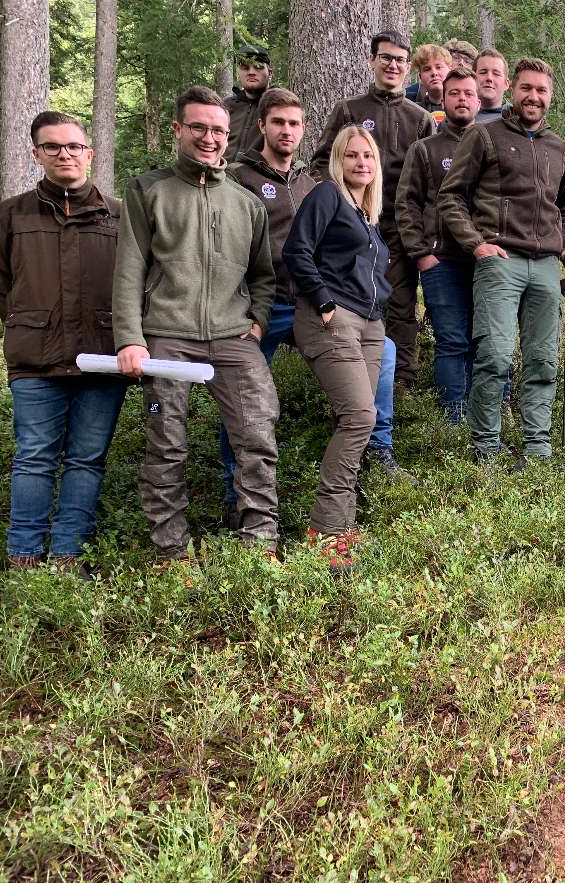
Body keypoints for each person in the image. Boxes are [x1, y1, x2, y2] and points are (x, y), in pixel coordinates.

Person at [113, 86, 279, 565]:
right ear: (179, 130)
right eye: (199, 128)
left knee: (257, 436)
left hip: (233, 336)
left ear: (230, 136)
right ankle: (171, 552)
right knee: (167, 443)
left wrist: (259, 324)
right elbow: (129, 270)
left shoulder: (247, 203)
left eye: (219, 131)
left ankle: (259, 544)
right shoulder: (149, 190)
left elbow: (263, 276)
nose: (209, 138)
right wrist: (130, 338)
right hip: (168, 334)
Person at [0, 111, 126, 576]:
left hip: (102, 357)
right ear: (36, 154)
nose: (64, 154)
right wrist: (32, 321)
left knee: (87, 460)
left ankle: (70, 554)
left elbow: (136, 283)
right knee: (34, 458)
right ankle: (24, 557)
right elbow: (0, 285)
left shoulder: (119, 215)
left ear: (89, 153)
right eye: (52, 147)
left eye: (73, 146)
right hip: (36, 360)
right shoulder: (10, 214)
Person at [440, 57, 565, 467]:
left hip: (546, 266)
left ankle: (537, 450)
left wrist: (564, 244)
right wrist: (477, 245)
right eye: (527, 88)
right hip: (501, 261)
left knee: (542, 359)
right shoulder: (484, 136)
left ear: (551, 96)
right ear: (513, 90)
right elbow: (450, 197)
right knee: (495, 356)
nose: (534, 97)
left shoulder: (559, 148)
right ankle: (487, 451)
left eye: (542, 90)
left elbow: (562, 206)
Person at [311, 30, 435, 465]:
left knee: (397, 308)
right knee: (352, 311)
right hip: (352, 229)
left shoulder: (420, 117)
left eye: (402, 60)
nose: (394, 66)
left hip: (399, 230)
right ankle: (351, 403)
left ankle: (400, 386)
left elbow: (426, 181)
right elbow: (321, 162)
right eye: (387, 58)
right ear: (372, 61)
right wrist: (339, 208)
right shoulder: (349, 110)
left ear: (408, 66)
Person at [284, 125, 391, 574]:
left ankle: (342, 525)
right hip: (333, 319)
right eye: (352, 156)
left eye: (368, 156)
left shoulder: (367, 216)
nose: (361, 163)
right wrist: (324, 301)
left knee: (354, 419)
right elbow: (296, 250)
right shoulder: (327, 196)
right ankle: (326, 531)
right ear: (339, 162)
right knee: (361, 417)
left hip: (369, 324)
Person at [219, 87, 317, 527]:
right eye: (279, 122)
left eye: (294, 124)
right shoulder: (238, 177)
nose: (287, 131)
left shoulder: (309, 182)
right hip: (262, 305)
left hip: (310, 304)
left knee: (376, 362)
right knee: (244, 401)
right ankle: (232, 486)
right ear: (262, 125)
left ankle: (366, 465)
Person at [396, 67, 481, 423]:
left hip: (488, 262)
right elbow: (407, 203)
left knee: (487, 343)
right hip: (441, 261)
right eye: (455, 93)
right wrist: (421, 254)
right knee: (452, 341)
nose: (462, 99)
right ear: (443, 100)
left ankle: (491, 416)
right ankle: (453, 419)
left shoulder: (490, 142)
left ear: (479, 101)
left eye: (468, 93)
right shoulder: (425, 149)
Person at [223, 44, 272, 163]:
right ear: (237, 74)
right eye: (245, 68)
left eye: (258, 67)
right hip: (223, 177)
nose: (251, 72)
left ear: (270, 73)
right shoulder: (225, 107)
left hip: (261, 178)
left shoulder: (278, 105)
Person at [407, 44, 452, 123]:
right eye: (427, 69)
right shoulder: (413, 112)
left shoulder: (463, 107)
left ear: (450, 71)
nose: (434, 73)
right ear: (420, 77)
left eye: (438, 67)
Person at [473, 49, 511, 124]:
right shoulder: (457, 116)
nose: (489, 78)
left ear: (506, 84)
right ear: (472, 78)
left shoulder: (517, 119)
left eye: (496, 74)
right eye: (483, 72)